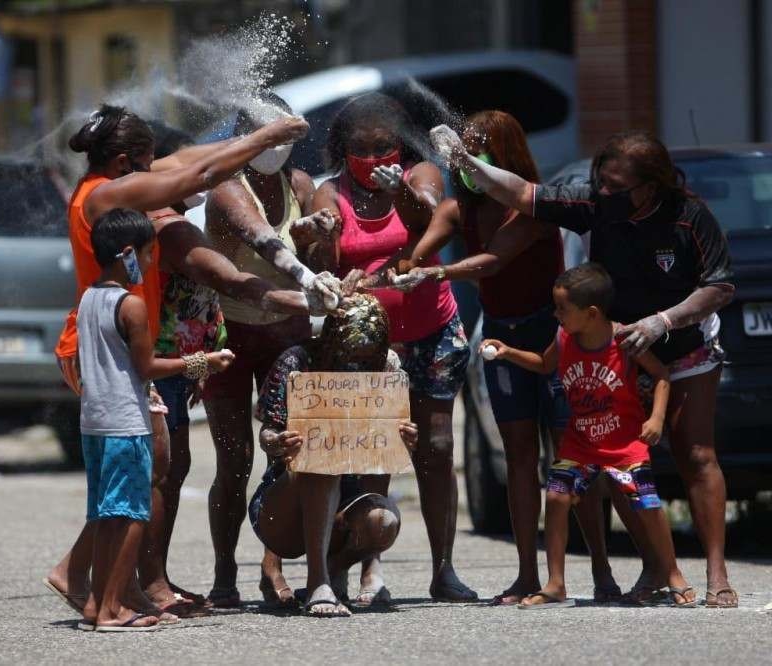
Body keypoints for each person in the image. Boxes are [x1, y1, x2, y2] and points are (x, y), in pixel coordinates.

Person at [44, 103, 329, 620]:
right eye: (148, 162)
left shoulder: (117, 181)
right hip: (104, 352)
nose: (157, 169)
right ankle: (115, 586)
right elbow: (197, 174)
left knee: (149, 469)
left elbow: (191, 159)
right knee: (146, 471)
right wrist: (268, 136)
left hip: (123, 347)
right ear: (126, 159)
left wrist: (249, 140)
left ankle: (103, 578)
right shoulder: (105, 194)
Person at [434, 125, 738, 608]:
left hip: (685, 346)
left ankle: (717, 573)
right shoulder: (596, 205)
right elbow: (523, 193)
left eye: (618, 187)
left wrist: (664, 321)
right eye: (602, 182)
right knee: (621, 463)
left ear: (652, 186)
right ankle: (656, 567)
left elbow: (719, 287)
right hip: (622, 349)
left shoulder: (690, 217)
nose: (605, 193)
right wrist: (470, 165)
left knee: (696, 454)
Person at [399, 111, 618, 605]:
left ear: (503, 157)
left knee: (570, 455)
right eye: (461, 153)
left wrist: (437, 275)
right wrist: (408, 266)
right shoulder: (460, 208)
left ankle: (601, 570)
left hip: (550, 334)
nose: (465, 163)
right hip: (501, 334)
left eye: (476, 151)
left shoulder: (532, 208)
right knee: (519, 457)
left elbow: (495, 259)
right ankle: (526, 573)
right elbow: (424, 244)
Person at [307, 92, 476, 602]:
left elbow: (429, 218)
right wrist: (320, 235)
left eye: (384, 147)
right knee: (373, 449)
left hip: (432, 330)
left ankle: (444, 569)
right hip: (364, 343)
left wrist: (399, 190)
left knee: (438, 447)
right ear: (342, 149)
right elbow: (320, 260)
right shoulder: (328, 193)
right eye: (361, 149)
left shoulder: (419, 172)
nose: (374, 158)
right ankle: (367, 565)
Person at [480, 263, 696, 609]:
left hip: (624, 443)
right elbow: (544, 364)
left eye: (562, 308)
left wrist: (656, 418)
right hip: (581, 442)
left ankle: (672, 573)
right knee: (556, 496)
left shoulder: (624, 340)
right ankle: (555, 583)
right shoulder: (565, 337)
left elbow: (662, 375)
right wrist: (508, 352)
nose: (556, 314)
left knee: (648, 504)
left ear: (591, 313)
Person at [202, 94, 343, 608]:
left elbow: (323, 256)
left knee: (288, 451)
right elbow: (262, 241)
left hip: (289, 335)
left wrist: (320, 236)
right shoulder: (224, 189)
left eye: (286, 137)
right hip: (233, 338)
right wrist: (303, 271)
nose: (277, 148)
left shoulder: (301, 186)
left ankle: (273, 564)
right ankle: (223, 572)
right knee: (234, 458)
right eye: (267, 136)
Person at [76, 208, 234, 631]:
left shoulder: (90, 297)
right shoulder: (131, 305)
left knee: (107, 513)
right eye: (147, 255)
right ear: (128, 254)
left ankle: (97, 603)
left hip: (94, 421)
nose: (150, 263)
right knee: (132, 515)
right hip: (127, 422)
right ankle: (112, 609)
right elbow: (147, 367)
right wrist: (202, 362)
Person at [251, 294, 418, 616]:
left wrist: (404, 439)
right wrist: (278, 442)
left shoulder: (387, 366)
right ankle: (318, 583)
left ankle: (343, 566)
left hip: (349, 501)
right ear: (332, 342)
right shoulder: (297, 361)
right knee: (322, 457)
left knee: (383, 521)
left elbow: (386, 443)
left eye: (364, 357)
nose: (356, 364)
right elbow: (266, 432)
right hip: (287, 502)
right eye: (349, 355)